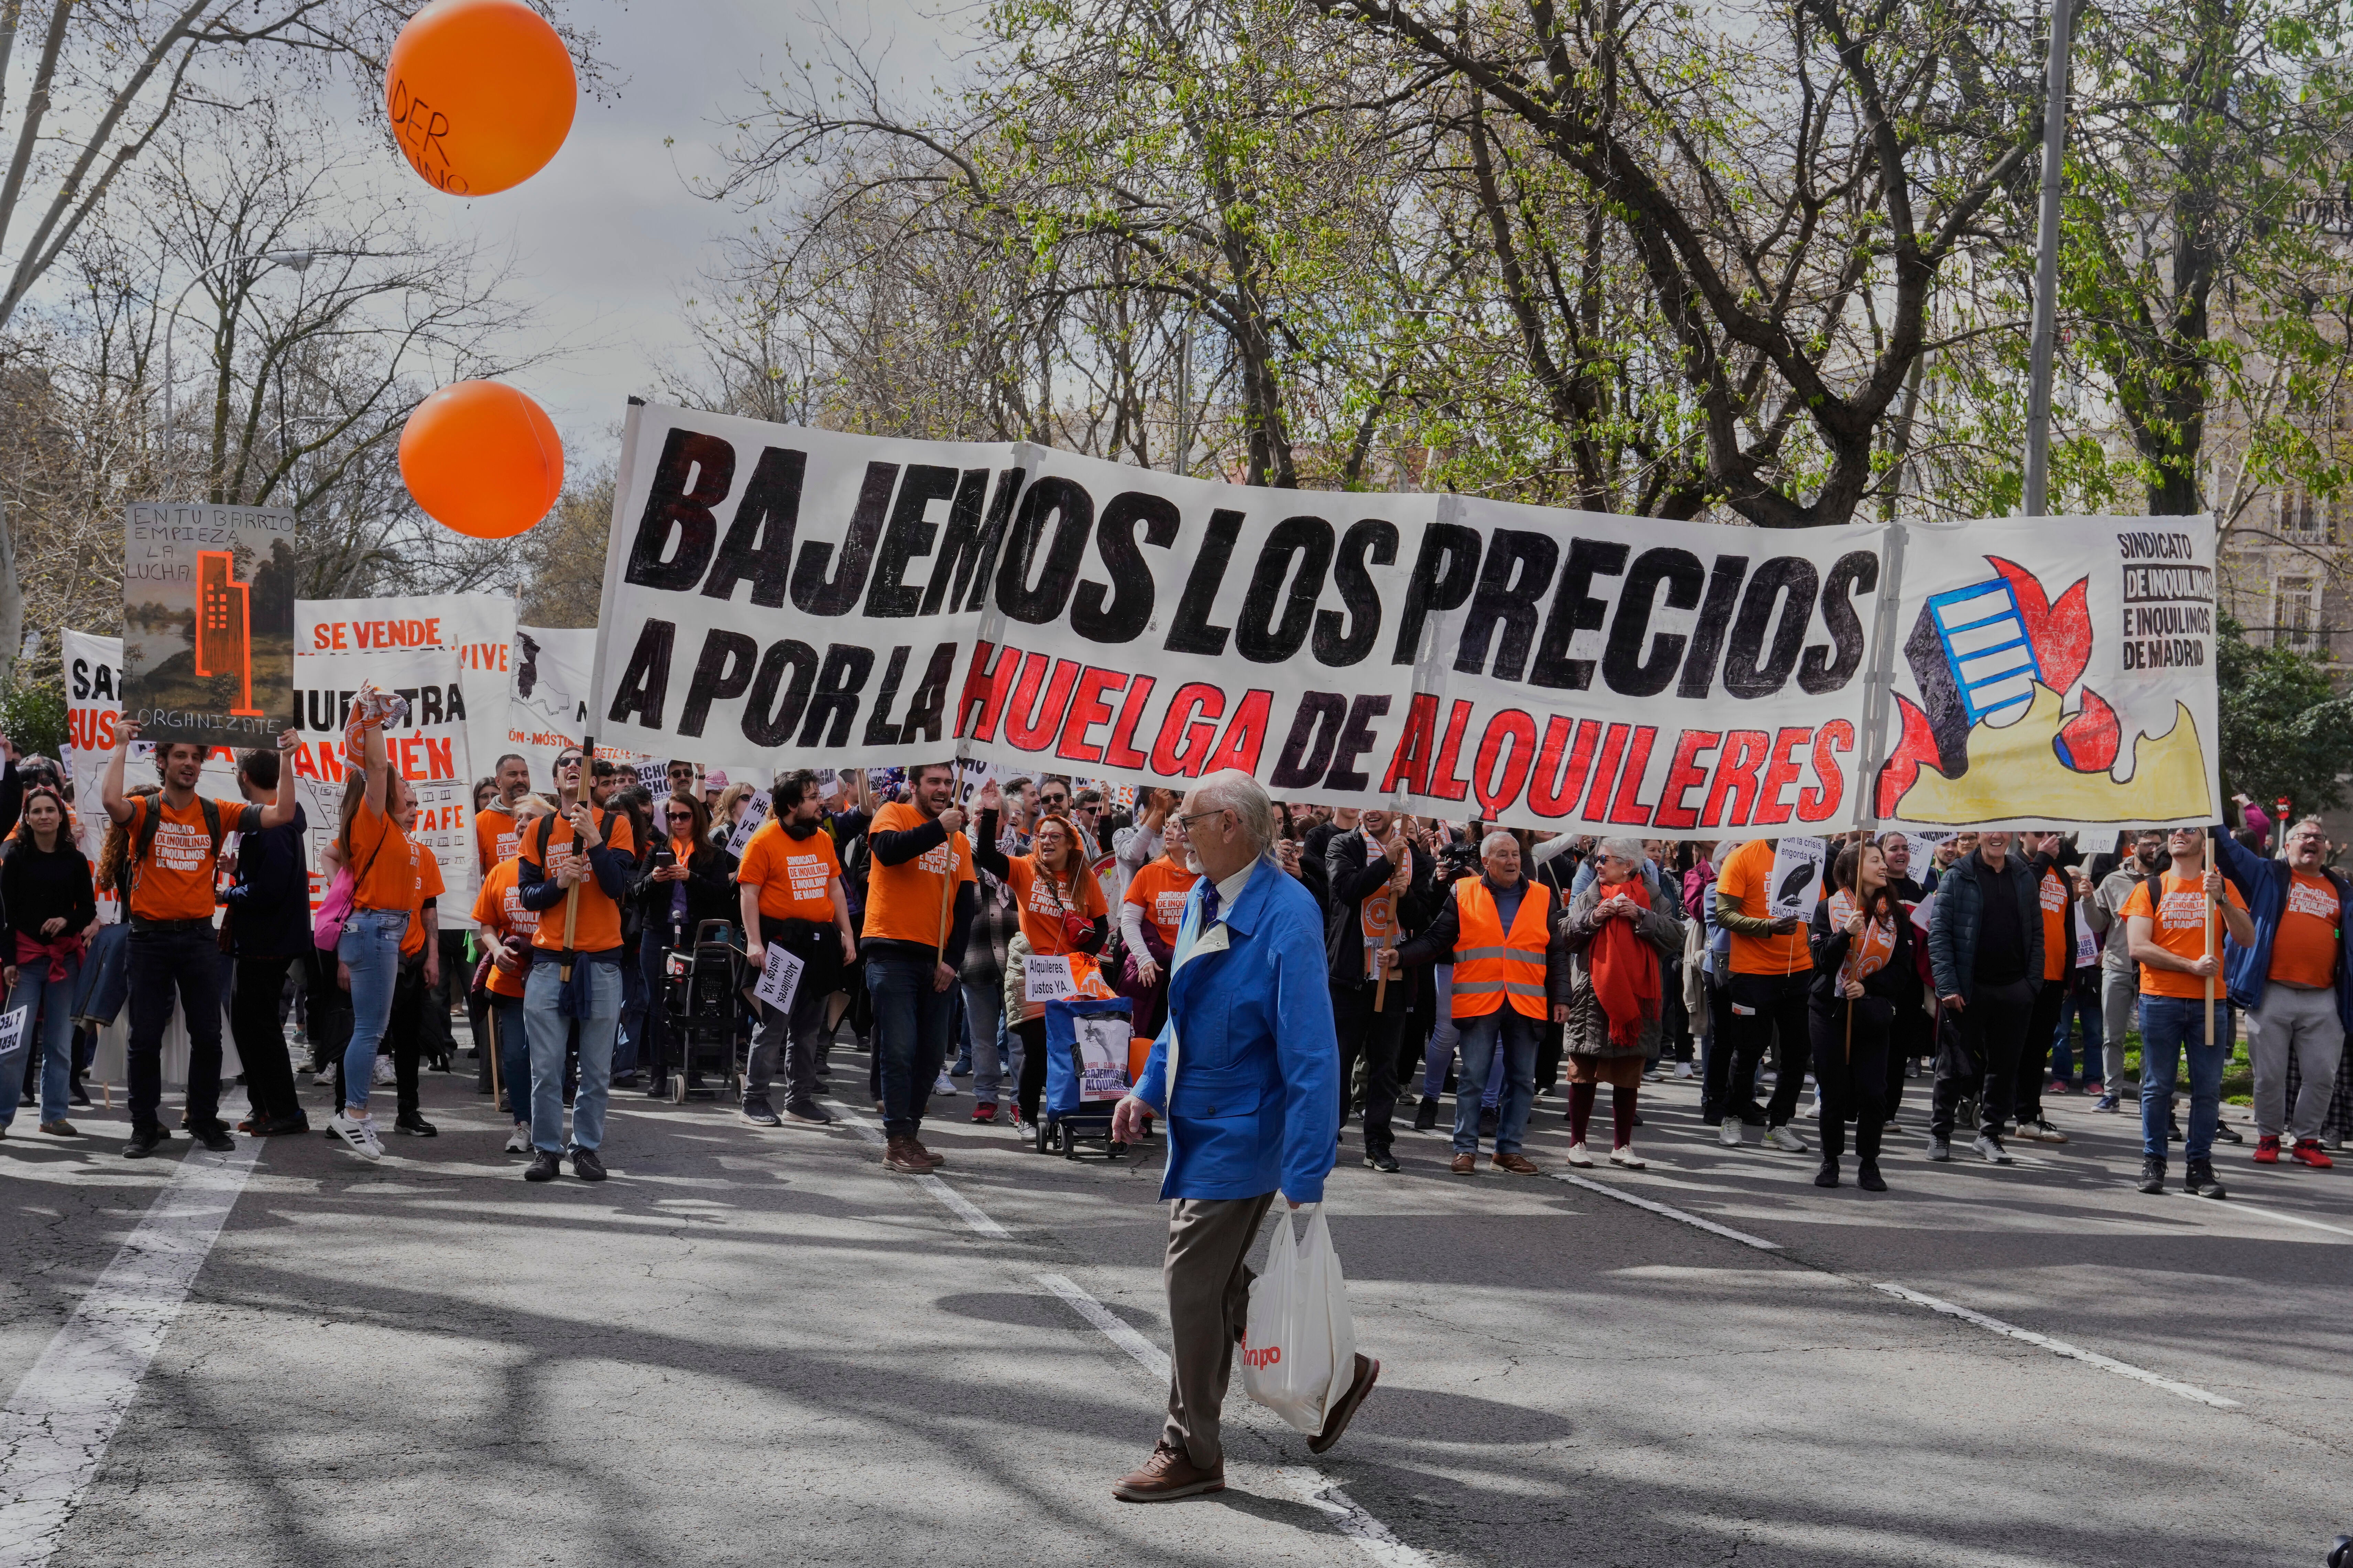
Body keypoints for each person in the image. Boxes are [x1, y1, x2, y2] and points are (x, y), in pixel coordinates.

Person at [1108, 770, 1365, 1502]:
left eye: (1188, 820)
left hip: (1250, 1128)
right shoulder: (1201, 895)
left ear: (1233, 826)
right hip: (1203, 1117)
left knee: (1189, 1278)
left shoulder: (1287, 911)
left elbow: (1312, 1051)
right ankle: (1342, 1376)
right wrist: (1145, 1088)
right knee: (1215, 1283)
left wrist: (1306, 1171)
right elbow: (1186, 1014)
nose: (1175, 831)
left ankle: (1190, 1447)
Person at [101, 718, 300, 1158]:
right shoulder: (145, 810)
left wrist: (287, 759)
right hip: (149, 941)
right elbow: (111, 802)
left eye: (195, 757)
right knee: (144, 1039)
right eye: (180, 756)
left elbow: (282, 814)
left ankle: (206, 1121)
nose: (189, 763)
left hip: (197, 940)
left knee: (208, 1035)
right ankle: (144, 1126)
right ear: (163, 761)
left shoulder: (217, 811)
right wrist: (119, 745)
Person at [1387, 829, 1568, 1175]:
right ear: (1485, 862)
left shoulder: (1543, 896)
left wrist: (1561, 997)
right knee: (1473, 1077)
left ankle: (1508, 1150)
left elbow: (1556, 953)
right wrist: (1402, 955)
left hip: (1526, 1003)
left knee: (1521, 1080)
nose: (1512, 860)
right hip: (1480, 1002)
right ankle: (1465, 1150)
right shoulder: (1463, 892)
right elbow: (1437, 938)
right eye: (1502, 854)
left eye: (1515, 854)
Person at [516, 746, 637, 1183]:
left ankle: (585, 1148)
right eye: (563, 764)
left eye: (577, 763)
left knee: (596, 1067)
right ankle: (546, 1150)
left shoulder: (616, 824)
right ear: (557, 780)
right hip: (550, 961)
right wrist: (558, 883)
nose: (571, 766)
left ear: (589, 779)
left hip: (601, 963)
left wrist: (596, 841)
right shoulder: (540, 830)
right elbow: (528, 896)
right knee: (547, 1066)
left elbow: (617, 886)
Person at [860, 761, 978, 1174]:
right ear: (914, 785)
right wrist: (939, 828)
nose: (943, 788)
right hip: (891, 951)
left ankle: (910, 1133)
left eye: (948, 782)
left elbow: (966, 906)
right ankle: (896, 1139)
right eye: (934, 782)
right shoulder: (892, 813)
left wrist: (952, 960)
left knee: (930, 1055)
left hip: (937, 960)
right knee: (899, 1048)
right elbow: (889, 852)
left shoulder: (959, 840)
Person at [973, 781, 1111, 1133]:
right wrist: (991, 812)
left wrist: (1080, 957)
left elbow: (1101, 925)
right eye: (1041, 836)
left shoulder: (1084, 879)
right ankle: (1028, 1117)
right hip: (1032, 968)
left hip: (1073, 972)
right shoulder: (1024, 868)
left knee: (1076, 1046)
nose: (1046, 841)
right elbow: (986, 856)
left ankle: (1070, 1112)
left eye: (1054, 836)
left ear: (1070, 844)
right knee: (1036, 1047)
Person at [2122, 826, 2253, 1197]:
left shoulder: (2220, 885)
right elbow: (2138, 947)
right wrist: (2190, 966)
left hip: (2209, 1003)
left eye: (2190, 829)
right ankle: (2154, 1160)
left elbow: (2247, 937)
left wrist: (2223, 900)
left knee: (2208, 1089)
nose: (2180, 832)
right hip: (2160, 999)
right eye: (2175, 829)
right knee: (2157, 1086)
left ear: (2203, 842)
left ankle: (2199, 1164)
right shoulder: (2149, 888)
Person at [2215, 816, 2346, 1169]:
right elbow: (2228, 853)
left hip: (2324, 997)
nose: (2312, 841)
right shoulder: (2267, 875)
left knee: (2322, 1075)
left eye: (2318, 837)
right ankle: (2269, 1138)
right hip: (2271, 992)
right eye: (2304, 836)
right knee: (2269, 1075)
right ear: (2286, 845)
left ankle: (2306, 1140)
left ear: (2326, 848)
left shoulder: (2342, 890)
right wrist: (2210, 818)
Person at [737, 771, 855, 1129]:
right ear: (792, 805)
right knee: (773, 1028)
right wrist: (755, 941)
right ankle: (755, 1099)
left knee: (809, 1029)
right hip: (781, 945)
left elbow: (835, 889)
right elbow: (749, 893)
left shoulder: (821, 838)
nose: (821, 801)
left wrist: (846, 934)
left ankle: (799, 1101)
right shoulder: (763, 840)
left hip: (820, 945)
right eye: (812, 796)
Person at [1557, 837, 1682, 1168]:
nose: (1598, 865)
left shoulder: (1654, 897)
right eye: (1597, 860)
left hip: (1637, 997)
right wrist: (1593, 918)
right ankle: (1578, 1143)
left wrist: (1642, 916)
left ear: (1628, 866)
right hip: (1592, 994)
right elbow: (1565, 935)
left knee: (1628, 1075)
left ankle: (1622, 1146)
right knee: (1583, 1072)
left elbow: (1675, 937)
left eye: (1605, 860)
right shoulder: (1589, 896)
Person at [1324, 809, 1436, 1173]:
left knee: (1385, 1066)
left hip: (1392, 977)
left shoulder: (1416, 858)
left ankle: (1377, 1142)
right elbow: (1346, 889)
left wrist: (1403, 896)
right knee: (1338, 1062)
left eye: (1380, 804)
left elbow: (1421, 919)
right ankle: (1327, 1134)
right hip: (1349, 976)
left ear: (1397, 811)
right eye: (1365, 804)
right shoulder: (1344, 844)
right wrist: (1385, 864)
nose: (1371, 811)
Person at [1924, 831, 2041, 1166]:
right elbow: (1940, 932)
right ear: (1980, 837)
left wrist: (2029, 985)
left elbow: (2036, 933)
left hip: (2013, 990)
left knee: (2003, 1068)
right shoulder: (1959, 875)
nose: (1996, 835)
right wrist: (1947, 985)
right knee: (1952, 1066)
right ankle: (1940, 1133)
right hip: (1966, 989)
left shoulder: (2022, 875)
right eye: (1990, 829)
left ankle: (1989, 1135)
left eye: (2003, 829)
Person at [1808, 841, 1912, 1192]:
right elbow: (1821, 960)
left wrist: (1869, 987)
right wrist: (1844, 935)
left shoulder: (1895, 916)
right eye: (1875, 860)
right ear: (1853, 868)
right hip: (1829, 1010)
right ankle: (1830, 1158)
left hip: (1871, 1012)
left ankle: (1869, 1162)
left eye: (1883, 860)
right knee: (1834, 1089)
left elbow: (1902, 970)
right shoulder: (1827, 909)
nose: (1883, 866)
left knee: (1872, 1091)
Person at [219, 746, 310, 1136]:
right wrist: (239, 871)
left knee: (259, 1028)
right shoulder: (269, 822)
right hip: (262, 938)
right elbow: (271, 878)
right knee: (248, 1027)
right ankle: (266, 1107)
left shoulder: (272, 826)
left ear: (244, 777)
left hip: (266, 940)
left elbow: (270, 889)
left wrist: (227, 894)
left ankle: (285, 1110)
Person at [1, 784, 96, 1138]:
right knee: (15, 1046)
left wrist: (66, 920)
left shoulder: (73, 859)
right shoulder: (15, 857)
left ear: (61, 816)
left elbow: (87, 907)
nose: (44, 816)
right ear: (27, 817)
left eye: (50, 810)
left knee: (59, 1043)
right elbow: (5, 915)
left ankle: (54, 1115)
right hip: (23, 963)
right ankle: (1, 1117)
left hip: (65, 962)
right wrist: (8, 960)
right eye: (37, 811)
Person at [635, 790, 741, 1101]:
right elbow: (636, 893)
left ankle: (693, 1071)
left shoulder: (713, 854)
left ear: (697, 817)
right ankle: (658, 1074)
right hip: (659, 934)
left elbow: (723, 896)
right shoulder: (657, 852)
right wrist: (655, 878)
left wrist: (690, 876)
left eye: (684, 816)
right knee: (658, 1007)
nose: (677, 822)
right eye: (671, 816)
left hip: (697, 936)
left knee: (694, 1004)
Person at [1709, 838, 1813, 1153]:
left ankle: (1779, 1124)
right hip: (1752, 974)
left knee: (1796, 1054)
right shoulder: (1742, 857)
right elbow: (1724, 915)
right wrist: (1766, 927)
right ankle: (1733, 1116)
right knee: (1748, 1050)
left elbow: (1815, 910)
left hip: (1799, 971)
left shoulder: (1809, 855)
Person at [474, 796, 553, 1152]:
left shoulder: (563, 871)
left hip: (552, 977)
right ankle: (522, 1123)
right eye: (518, 818)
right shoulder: (501, 871)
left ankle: (549, 1127)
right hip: (509, 981)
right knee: (517, 1055)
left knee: (549, 1057)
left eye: (531, 818)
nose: (522, 824)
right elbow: (486, 924)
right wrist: (496, 949)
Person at [378, 780, 446, 1138]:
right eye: (406, 803)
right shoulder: (370, 848)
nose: (414, 810)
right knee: (362, 1036)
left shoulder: (426, 855)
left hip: (413, 959)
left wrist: (432, 957)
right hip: (374, 957)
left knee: (408, 1040)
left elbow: (430, 909)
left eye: (417, 804)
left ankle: (408, 1112)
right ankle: (346, 1111)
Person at [2009, 831, 2084, 1143]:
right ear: (2022, 835)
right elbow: (2019, 895)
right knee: (2012, 1048)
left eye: (2050, 834)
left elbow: (2068, 926)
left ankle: (2027, 1115)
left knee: (2038, 1050)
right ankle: (1996, 1111)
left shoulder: (2059, 874)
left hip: (2054, 977)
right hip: (2022, 976)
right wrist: (2041, 858)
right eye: (2038, 834)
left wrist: (2069, 976)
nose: (2046, 840)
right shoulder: (2014, 865)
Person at [2083, 831, 2164, 1112]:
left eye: (2158, 844)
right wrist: (2088, 900)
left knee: (2150, 1037)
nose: (2154, 849)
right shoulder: (2113, 880)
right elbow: (2098, 924)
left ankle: (2147, 1096)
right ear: (2133, 848)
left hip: (2155, 969)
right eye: (2148, 844)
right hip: (2117, 965)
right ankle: (2112, 1093)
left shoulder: (2166, 878)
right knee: (2112, 1035)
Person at [1118, 808, 1193, 1037]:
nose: (1168, 831)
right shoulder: (1149, 872)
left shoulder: (1207, 875)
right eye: (1167, 825)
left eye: (1176, 826)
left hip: (1190, 969)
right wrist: (1144, 959)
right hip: (1156, 971)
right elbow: (1129, 922)